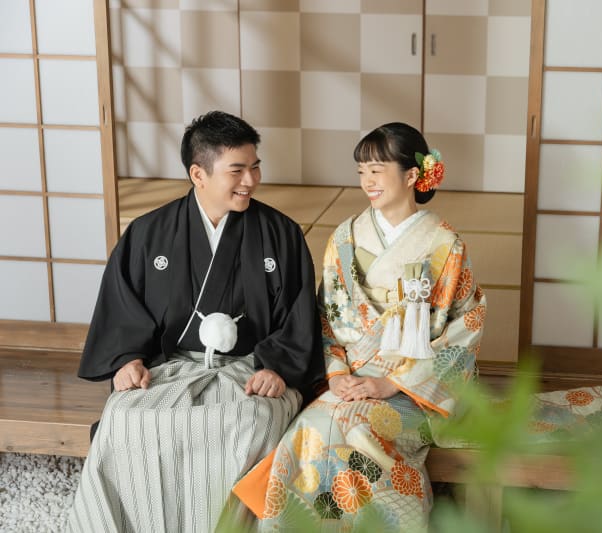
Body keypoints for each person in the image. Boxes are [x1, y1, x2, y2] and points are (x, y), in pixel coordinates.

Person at [66, 110, 323, 532]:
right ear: (198, 174)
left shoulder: (281, 234)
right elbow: (122, 307)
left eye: (255, 167)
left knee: (252, 423)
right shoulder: (149, 232)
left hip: (251, 370)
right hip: (168, 367)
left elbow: (298, 315)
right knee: (126, 418)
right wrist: (127, 359)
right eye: (237, 170)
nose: (251, 180)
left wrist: (278, 367)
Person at [232, 122, 487, 531]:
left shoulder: (445, 246)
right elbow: (326, 315)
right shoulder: (346, 238)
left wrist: (391, 384)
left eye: (377, 170)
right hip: (350, 379)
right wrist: (336, 375)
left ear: (412, 175)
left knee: (358, 429)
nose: (368, 181)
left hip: (413, 389)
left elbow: (466, 325)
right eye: (362, 171)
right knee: (310, 428)